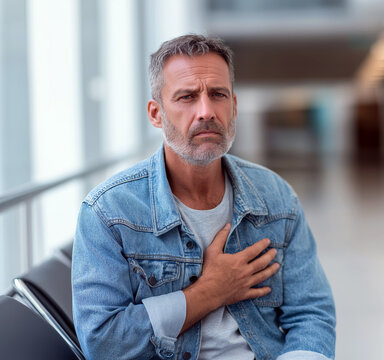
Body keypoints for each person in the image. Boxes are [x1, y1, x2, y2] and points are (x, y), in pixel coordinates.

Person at [72, 34, 336, 360]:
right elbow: (104, 343)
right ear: (156, 114)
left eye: (218, 94)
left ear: (234, 106)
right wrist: (209, 292)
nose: (206, 111)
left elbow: (311, 313)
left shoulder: (276, 198)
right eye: (186, 97)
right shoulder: (109, 211)